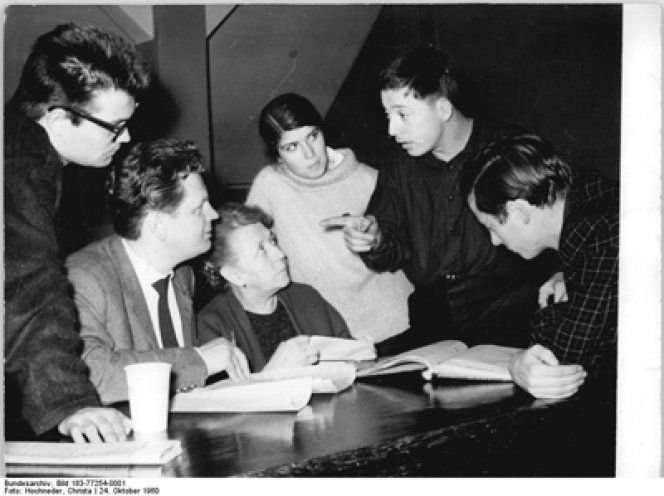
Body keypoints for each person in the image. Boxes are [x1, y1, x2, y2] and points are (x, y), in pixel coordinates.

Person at [321, 46, 548, 354]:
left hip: (509, 308)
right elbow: (393, 249)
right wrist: (374, 240)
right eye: (388, 116)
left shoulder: (509, 149)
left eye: (403, 115)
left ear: (443, 109)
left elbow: (558, 221)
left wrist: (561, 273)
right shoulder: (398, 165)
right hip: (435, 313)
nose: (391, 129)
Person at [5, 23, 151, 442]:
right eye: (115, 126)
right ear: (58, 118)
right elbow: (26, 288)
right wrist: (69, 401)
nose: (126, 138)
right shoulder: (21, 165)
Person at [66, 139, 250, 405]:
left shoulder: (183, 275)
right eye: (199, 208)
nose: (213, 215)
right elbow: (90, 374)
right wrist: (199, 360)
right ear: (158, 225)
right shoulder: (85, 276)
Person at [246, 93, 413, 345]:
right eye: (291, 147)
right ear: (277, 155)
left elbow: (410, 250)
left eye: (313, 136)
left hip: (395, 326)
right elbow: (246, 251)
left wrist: (377, 239)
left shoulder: (371, 179)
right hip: (327, 336)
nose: (310, 154)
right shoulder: (270, 187)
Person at [465, 134, 618, 399]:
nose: (494, 240)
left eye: (491, 226)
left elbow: (561, 357)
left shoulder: (602, 236)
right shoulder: (591, 196)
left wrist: (516, 364)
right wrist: (569, 274)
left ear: (519, 212)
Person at [197, 203, 352, 372]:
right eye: (262, 249)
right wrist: (272, 374)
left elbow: (351, 356)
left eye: (273, 241)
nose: (280, 254)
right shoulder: (212, 326)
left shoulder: (306, 297)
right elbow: (224, 396)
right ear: (235, 275)